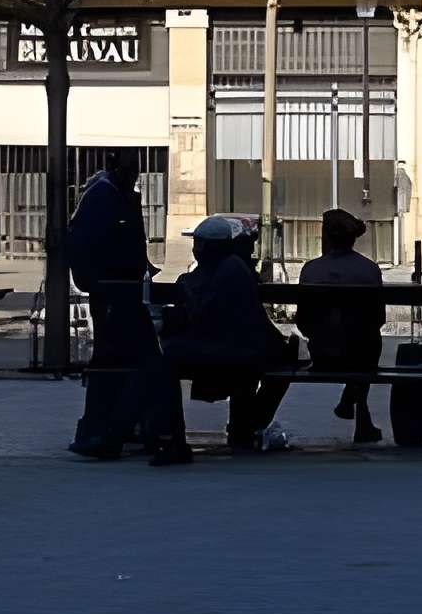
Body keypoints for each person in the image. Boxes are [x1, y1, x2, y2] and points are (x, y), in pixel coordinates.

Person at [65, 152, 190, 465]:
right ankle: (119, 431)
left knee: (129, 363)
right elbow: (91, 246)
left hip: (122, 291)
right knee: (124, 362)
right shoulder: (103, 198)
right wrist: (99, 283)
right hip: (115, 292)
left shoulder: (114, 196)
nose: (133, 177)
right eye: (129, 170)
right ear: (114, 168)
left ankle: (118, 431)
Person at [164, 214, 295, 452]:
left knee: (164, 360)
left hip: (226, 352)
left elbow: (198, 317)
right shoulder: (234, 268)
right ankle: (244, 427)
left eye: (197, 244)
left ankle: (170, 433)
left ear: (205, 247)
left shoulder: (211, 275)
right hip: (242, 350)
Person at [298, 208, 386, 445]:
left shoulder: (311, 270)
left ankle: (352, 405)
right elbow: (378, 319)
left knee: (354, 340)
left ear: (326, 236)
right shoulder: (369, 269)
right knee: (367, 342)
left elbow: (303, 322)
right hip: (361, 356)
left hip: (323, 355)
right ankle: (359, 413)